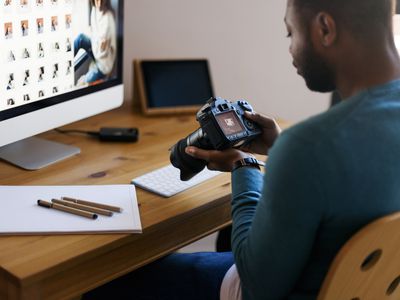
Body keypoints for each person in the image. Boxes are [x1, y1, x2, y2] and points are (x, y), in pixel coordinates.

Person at [83, 0, 400, 299]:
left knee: (103, 279)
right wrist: (281, 147)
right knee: (227, 238)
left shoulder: (309, 147)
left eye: (291, 32)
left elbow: (256, 285)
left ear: (325, 29)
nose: (291, 48)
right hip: (370, 287)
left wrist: (243, 166)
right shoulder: (320, 146)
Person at [74, 0, 116, 84]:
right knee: (80, 38)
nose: (98, 3)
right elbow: (94, 34)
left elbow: (102, 53)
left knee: (82, 82)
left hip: (104, 63)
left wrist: (87, 76)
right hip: (96, 49)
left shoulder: (108, 19)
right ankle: (65, 63)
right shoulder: (94, 10)